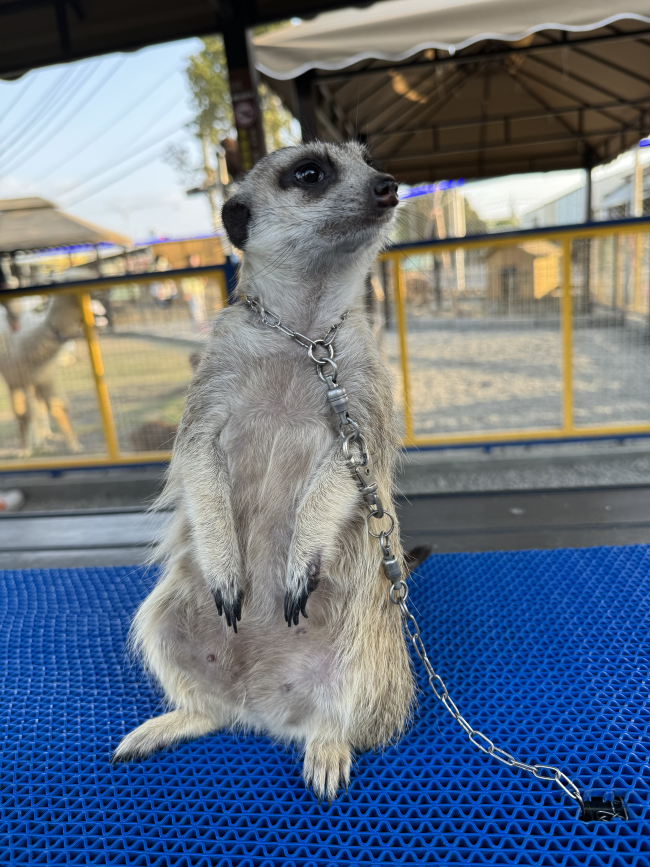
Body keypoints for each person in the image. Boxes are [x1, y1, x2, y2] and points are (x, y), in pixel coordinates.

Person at [181, 254, 208, 333]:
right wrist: (186, 292)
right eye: (193, 260)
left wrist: (204, 281)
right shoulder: (187, 271)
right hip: (192, 293)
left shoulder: (200, 270)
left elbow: (203, 281)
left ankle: (202, 324)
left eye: (196, 259)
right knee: (196, 310)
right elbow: (185, 282)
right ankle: (198, 325)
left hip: (200, 292)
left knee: (202, 308)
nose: (195, 261)